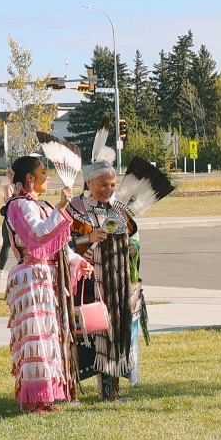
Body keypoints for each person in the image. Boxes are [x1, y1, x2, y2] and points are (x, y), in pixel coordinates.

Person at [4, 156, 89, 413]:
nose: (47, 177)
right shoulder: (18, 206)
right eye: (43, 172)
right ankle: (32, 400)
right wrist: (61, 208)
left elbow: (59, 245)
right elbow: (38, 237)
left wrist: (76, 260)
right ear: (30, 178)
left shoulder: (40, 205)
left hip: (47, 279)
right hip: (31, 278)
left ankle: (46, 397)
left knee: (50, 338)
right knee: (35, 338)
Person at [68, 146, 142, 401]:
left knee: (114, 332)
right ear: (89, 183)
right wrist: (88, 237)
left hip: (117, 282)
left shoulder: (120, 209)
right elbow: (62, 244)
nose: (108, 189)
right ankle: (72, 390)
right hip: (88, 282)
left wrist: (132, 251)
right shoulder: (76, 208)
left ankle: (111, 391)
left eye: (112, 184)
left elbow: (135, 237)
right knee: (89, 333)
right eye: (102, 184)